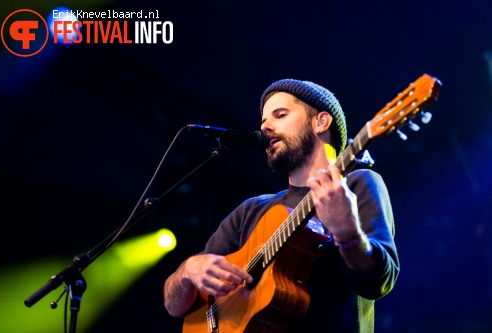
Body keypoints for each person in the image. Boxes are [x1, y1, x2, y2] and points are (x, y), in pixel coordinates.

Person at [163, 79, 400, 332]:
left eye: (280, 115)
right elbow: (175, 306)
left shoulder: (358, 184)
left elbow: (379, 282)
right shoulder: (250, 210)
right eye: (263, 121)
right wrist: (188, 270)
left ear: (321, 121)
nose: (265, 127)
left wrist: (347, 232)